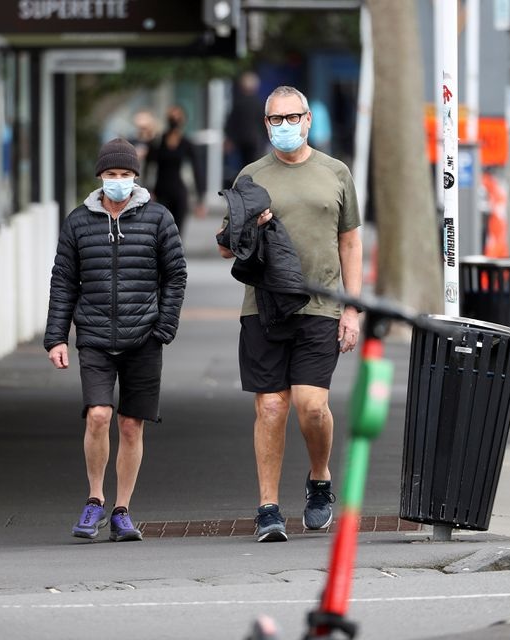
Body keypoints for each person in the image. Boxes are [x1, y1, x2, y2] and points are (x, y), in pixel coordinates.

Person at [217, 86, 363, 542]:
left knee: (311, 405)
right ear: (266, 125)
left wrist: (352, 309)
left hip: (321, 304)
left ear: (308, 120)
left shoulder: (336, 173)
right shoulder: (250, 176)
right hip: (264, 306)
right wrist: (246, 226)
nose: (284, 126)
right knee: (272, 406)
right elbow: (225, 247)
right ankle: (268, 507)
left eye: (291, 117)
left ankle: (319, 479)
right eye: (275, 120)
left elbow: (351, 242)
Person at [45, 137, 187, 543]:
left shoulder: (158, 219)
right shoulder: (78, 222)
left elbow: (175, 275)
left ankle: (122, 509)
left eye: (125, 175)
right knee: (99, 416)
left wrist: (164, 327)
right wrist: (57, 337)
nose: (118, 181)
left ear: (135, 178)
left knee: (130, 425)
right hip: (94, 337)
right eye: (111, 175)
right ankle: (94, 499)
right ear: (100, 177)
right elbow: (63, 281)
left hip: (144, 337)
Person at [146, 105, 206, 233]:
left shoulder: (186, 144)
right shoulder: (158, 142)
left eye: (177, 117)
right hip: (160, 192)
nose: (174, 119)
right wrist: (147, 190)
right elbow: (148, 166)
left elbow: (197, 170)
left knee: (177, 232)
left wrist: (200, 198)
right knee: (160, 231)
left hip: (179, 193)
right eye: (171, 116)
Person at [224, 72, 267, 180]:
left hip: (241, 141)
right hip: (256, 141)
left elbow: (230, 123)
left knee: (243, 166)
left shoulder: (238, 104)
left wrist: (230, 139)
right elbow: (265, 123)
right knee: (254, 166)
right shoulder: (260, 104)